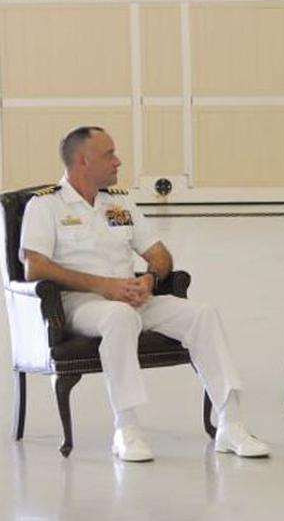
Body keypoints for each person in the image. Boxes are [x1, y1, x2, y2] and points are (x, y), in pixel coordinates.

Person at [19, 126, 270, 462]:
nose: (118, 161)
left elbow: (160, 254)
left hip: (134, 297)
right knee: (119, 317)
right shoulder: (45, 205)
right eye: (109, 154)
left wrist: (150, 279)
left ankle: (231, 424)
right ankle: (127, 429)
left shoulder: (120, 201)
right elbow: (34, 267)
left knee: (202, 314)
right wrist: (101, 285)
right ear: (83, 161)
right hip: (82, 304)